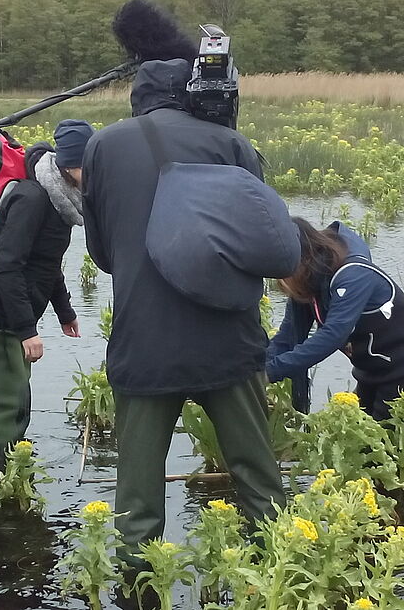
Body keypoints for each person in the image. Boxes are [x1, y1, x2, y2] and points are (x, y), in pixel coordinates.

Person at [81, 59, 286, 555]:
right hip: (227, 337)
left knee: (137, 499)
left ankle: (139, 584)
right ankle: (278, 570)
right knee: (260, 482)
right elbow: (262, 239)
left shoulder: (103, 146)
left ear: (138, 96)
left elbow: (102, 254)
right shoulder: (231, 144)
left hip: (144, 340)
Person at [0, 119, 93, 466]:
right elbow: (8, 267)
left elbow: (47, 264)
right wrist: (27, 330)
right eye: (88, 165)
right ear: (69, 164)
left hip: (11, 313)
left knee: (17, 400)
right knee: (7, 403)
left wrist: (65, 311)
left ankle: (9, 472)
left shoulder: (62, 200)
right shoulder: (32, 197)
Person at [266, 218, 404, 420]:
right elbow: (288, 338)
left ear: (301, 259)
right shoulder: (310, 281)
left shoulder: (353, 275)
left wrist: (268, 374)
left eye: (281, 272)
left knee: (388, 443)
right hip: (370, 368)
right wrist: (255, 367)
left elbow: (333, 336)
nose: (280, 281)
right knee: (360, 437)